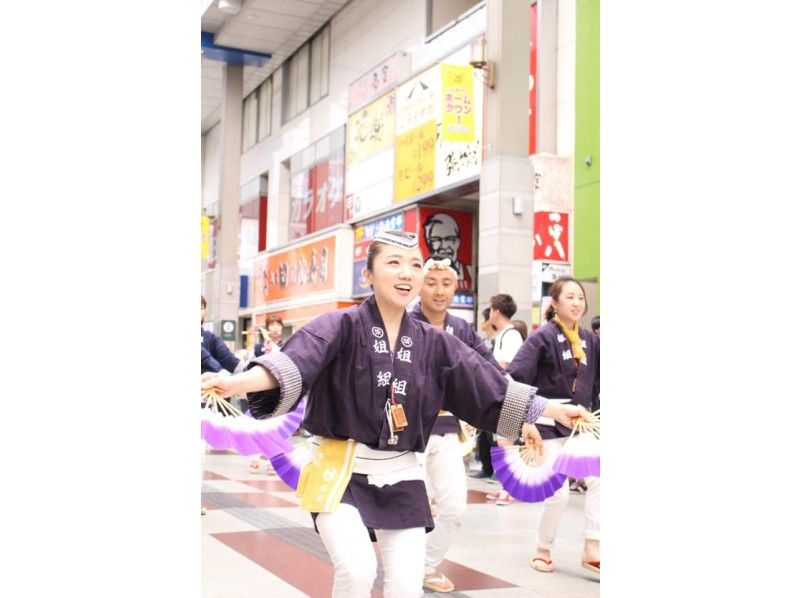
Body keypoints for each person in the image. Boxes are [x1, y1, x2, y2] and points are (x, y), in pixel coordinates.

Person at [201, 230, 591, 598]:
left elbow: (487, 384)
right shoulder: (339, 325)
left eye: (414, 264)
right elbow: (296, 362)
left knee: (406, 586)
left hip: (403, 471)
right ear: (368, 274)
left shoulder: (436, 342)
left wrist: (551, 408)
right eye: (393, 263)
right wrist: (235, 383)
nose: (406, 273)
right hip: (340, 469)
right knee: (356, 572)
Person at [409, 258, 503, 593]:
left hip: (447, 430)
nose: (438, 290)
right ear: (419, 284)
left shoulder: (463, 330)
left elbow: (492, 374)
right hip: (405, 433)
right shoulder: (403, 322)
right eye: (431, 282)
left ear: (455, 288)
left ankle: (424, 564)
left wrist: (522, 417)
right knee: (410, 507)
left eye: (446, 283)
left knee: (453, 508)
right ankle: (405, 566)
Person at [506, 277, 601, 575]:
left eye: (580, 298)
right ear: (555, 303)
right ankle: (543, 548)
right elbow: (514, 379)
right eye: (569, 297)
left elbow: (596, 386)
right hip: (546, 423)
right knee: (558, 493)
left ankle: (592, 546)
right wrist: (522, 423)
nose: (576, 303)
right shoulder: (541, 337)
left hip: (579, 425)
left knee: (601, 477)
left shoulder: (591, 340)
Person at [200, 295, 243, 516]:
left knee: (198, 453)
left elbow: (231, 363)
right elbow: (211, 362)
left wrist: (251, 375)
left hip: (203, 404)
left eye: (200, 307)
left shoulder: (210, 338)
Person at [422, 212, 473, 291]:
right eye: (436, 239)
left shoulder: (469, 272)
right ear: (428, 243)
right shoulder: (423, 271)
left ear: (458, 241)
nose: (444, 246)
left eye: (449, 239)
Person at [489, 294, 524, 369]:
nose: (490, 314)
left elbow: (504, 365)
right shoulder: (503, 333)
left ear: (496, 313)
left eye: (491, 310)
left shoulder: (511, 335)